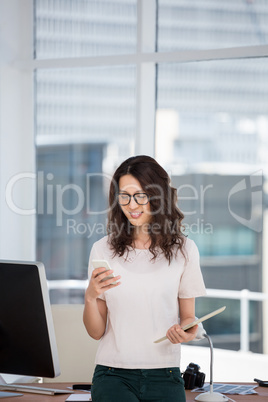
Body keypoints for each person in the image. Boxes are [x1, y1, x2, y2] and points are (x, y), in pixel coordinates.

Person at [83, 155, 206, 402]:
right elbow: (96, 332)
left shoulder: (185, 250)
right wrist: (90, 297)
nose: (131, 204)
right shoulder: (102, 250)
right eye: (124, 196)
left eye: (140, 195)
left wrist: (187, 332)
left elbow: (189, 319)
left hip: (165, 373)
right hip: (112, 374)